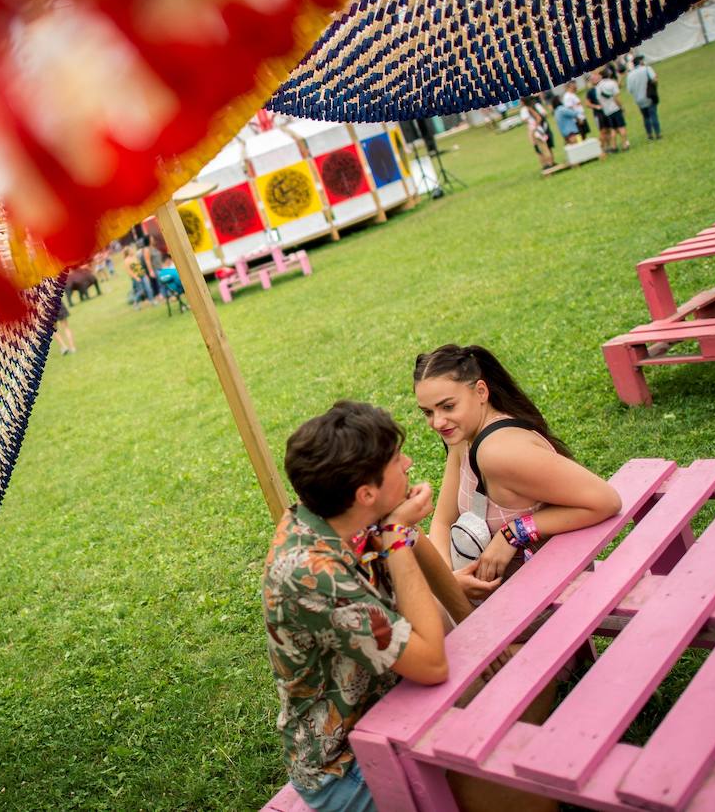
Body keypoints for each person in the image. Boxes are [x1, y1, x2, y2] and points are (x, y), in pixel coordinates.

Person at [266, 401, 470, 811]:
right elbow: (431, 664)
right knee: (510, 785)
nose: (409, 462)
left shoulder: (340, 511)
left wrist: (476, 626)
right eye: (398, 460)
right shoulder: (309, 575)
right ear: (366, 492)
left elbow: (415, 545)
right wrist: (394, 534)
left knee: (520, 691)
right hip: (347, 766)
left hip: (398, 707)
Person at [412, 345, 621, 603]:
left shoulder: (500, 453)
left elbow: (606, 501)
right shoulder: (461, 439)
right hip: (489, 590)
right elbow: (443, 521)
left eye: (448, 406)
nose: (438, 422)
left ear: (480, 392)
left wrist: (514, 533)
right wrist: (450, 581)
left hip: (543, 596)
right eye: (428, 412)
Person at [625, 54, 661, 141]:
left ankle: (649, 134)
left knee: (646, 117)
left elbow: (629, 89)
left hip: (638, 99)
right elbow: (654, 79)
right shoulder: (646, 69)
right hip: (649, 95)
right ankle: (658, 133)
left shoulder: (630, 75)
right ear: (641, 62)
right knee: (653, 115)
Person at [596, 67, 629, 151]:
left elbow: (599, 100)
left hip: (607, 110)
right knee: (621, 127)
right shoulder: (612, 83)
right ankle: (625, 143)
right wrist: (621, 107)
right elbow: (616, 98)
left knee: (613, 129)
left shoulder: (598, 86)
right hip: (615, 108)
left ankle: (614, 146)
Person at [519, 95, 554, 169]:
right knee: (542, 147)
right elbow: (543, 115)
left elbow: (538, 118)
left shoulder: (528, 108)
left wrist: (535, 128)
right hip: (540, 129)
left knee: (543, 148)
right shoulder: (533, 106)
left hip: (536, 130)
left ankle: (548, 164)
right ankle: (548, 164)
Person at [584, 72, 611, 151]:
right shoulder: (591, 91)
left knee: (609, 129)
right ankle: (601, 148)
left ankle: (608, 146)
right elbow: (587, 104)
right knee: (603, 131)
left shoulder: (602, 87)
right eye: (592, 79)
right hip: (598, 114)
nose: (595, 79)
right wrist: (596, 106)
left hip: (606, 111)